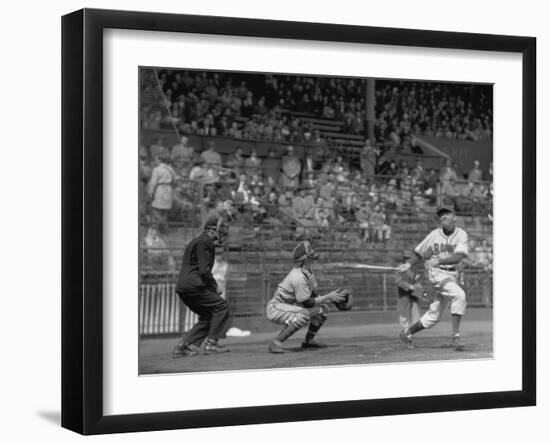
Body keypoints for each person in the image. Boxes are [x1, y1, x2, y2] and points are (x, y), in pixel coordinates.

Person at [396, 207, 469, 350]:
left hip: (451, 274)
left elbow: (459, 256)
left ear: (455, 217)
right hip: (437, 273)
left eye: (447, 213)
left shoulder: (462, 234)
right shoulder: (434, 235)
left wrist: (438, 260)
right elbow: (419, 253)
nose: (444, 216)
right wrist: (408, 264)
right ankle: (455, 337)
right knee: (460, 296)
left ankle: (407, 333)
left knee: (434, 315)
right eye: (441, 215)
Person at [265, 241, 346, 353]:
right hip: (276, 308)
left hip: (289, 306)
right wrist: (328, 296)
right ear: (303, 259)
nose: (312, 252)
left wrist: (330, 299)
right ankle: (276, 343)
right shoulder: (298, 277)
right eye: (309, 252)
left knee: (323, 309)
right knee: (303, 315)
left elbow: (312, 295)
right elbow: (307, 303)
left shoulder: (308, 271)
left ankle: (309, 340)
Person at [172, 216, 232, 357]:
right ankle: (211, 344)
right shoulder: (205, 242)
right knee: (221, 307)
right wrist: (214, 286)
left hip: (184, 287)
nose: (222, 233)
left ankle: (182, 347)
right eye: (220, 229)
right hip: (194, 285)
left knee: (208, 316)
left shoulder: (198, 241)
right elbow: (204, 270)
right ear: (211, 230)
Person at [394, 251, 424, 343]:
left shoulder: (415, 268)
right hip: (404, 294)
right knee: (404, 314)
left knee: (416, 314)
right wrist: (409, 286)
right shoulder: (400, 268)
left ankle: (411, 331)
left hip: (414, 294)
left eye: (409, 258)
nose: (407, 259)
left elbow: (420, 278)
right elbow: (398, 281)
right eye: (406, 258)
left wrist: (416, 286)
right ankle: (405, 333)